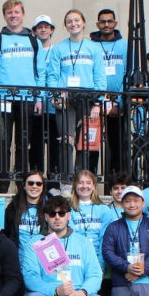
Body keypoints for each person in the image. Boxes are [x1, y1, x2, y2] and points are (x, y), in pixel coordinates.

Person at [67, 169, 116, 296]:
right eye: (80, 183)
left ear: (94, 186)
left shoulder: (104, 211)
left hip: (97, 268)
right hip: (75, 266)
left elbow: (107, 239)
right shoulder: (69, 208)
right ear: (75, 186)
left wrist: (102, 266)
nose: (84, 186)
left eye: (88, 183)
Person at [45, 9, 106, 173]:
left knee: (85, 140)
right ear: (66, 25)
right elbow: (52, 75)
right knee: (66, 139)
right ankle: (67, 178)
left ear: (84, 23)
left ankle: (82, 177)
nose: (74, 24)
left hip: (88, 97)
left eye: (77, 20)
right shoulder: (58, 49)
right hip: (65, 96)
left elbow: (100, 77)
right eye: (70, 21)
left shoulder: (94, 48)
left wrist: (98, 103)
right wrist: (55, 96)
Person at [0, 0, 42, 175]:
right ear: (4, 16)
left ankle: (21, 180)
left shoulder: (34, 41)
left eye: (16, 12)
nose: (13, 15)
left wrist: (40, 98)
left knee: (23, 142)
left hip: (27, 98)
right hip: (3, 97)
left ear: (23, 14)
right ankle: (3, 182)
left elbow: (40, 72)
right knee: (3, 142)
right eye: (9, 12)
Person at [90, 8, 128, 174]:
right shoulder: (90, 45)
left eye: (109, 21)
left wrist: (119, 103)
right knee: (91, 143)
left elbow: (128, 74)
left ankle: (117, 179)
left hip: (117, 101)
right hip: (94, 102)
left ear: (115, 24)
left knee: (117, 144)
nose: (106, 24)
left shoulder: (125, 45)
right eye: (103, 21)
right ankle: (90, 176)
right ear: (97, 24)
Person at [3, 169, 49, 252]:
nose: (34, 186)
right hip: (17, 258)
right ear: (24, 186)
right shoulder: (13, 208)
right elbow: (5, 232)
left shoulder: (50, 208)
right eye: (30, 183)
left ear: (43, 187)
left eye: (39, 184)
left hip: (41, 258)